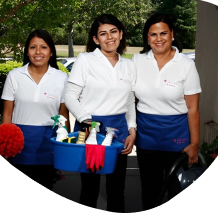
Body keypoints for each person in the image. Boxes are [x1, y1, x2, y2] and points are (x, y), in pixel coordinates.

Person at [64, 14, 136, 212]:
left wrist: (132, 129)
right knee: (89, 188)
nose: (109, 37)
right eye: (103, 34)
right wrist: (87, 122)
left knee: (116, 187)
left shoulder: (129, 65)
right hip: (89, 131)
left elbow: (129, 100)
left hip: (119, 132)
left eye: (113, 31)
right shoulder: (85, 60)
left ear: (121, 34)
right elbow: (70, 96)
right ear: (96, 39)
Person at [131, 13, 201, 211]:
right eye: (153, 34)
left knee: (175, 189)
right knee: (150, 189)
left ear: (172, 34)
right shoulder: (136, 61)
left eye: (163, 33)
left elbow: (193, 107)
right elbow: (126, 96)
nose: (158, 38)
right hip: (147, 137)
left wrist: (194, 143)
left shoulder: (186, 65)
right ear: (147, 38)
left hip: (177, 138)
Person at [1, 29, 70, 192]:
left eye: (43, 47)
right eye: (33, 47)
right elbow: (7, 114)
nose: (38, 52)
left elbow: (64, 115)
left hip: (49, 143)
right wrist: (5, 147)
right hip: (20, 145)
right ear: (27, 51)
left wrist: (65, 146)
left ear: (51, 52)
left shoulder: (62, 77)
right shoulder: (14, 76)